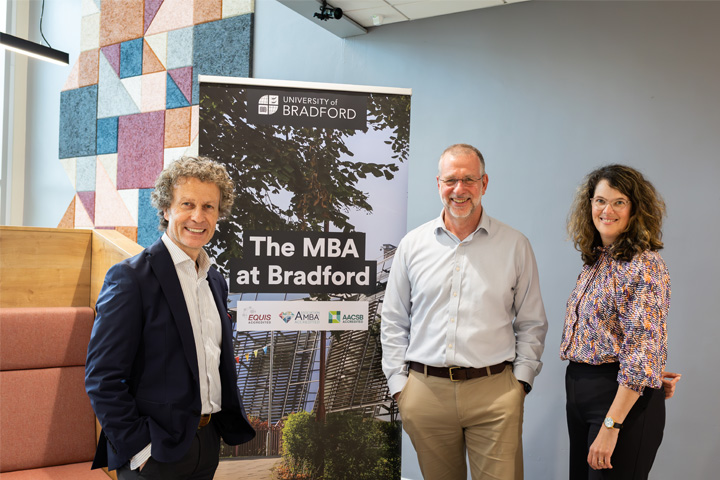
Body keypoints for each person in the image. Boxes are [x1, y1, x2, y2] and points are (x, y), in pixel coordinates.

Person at [381, 144, 548, 480]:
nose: (459, 190)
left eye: (469, 180)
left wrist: (520, 384)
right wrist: (401, 387)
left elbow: (532, 322)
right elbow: (394, 320)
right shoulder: (412, 246)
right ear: (438, 184)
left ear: (484, 184)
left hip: (495, 394)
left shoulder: (515, 245)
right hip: (426, 394)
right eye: (451, 180)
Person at [85, 156, 255, 479]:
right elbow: (101, 378)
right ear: (166, 209)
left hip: (206, 444)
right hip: (155, 453)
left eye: (209, 207)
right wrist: (140, 449)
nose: (198, 216)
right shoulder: (130, 279)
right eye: (187, 204)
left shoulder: (214, 280)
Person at [561, 164, 679, 479]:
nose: (607, 210)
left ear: (634, 210)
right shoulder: (597, 260)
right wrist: (647, 370)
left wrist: (611, 425)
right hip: (582, 392)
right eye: (600, 200)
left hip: (616, 404)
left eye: (619, 202)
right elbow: (622, 339)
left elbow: (641, 351)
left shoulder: (644, 264)